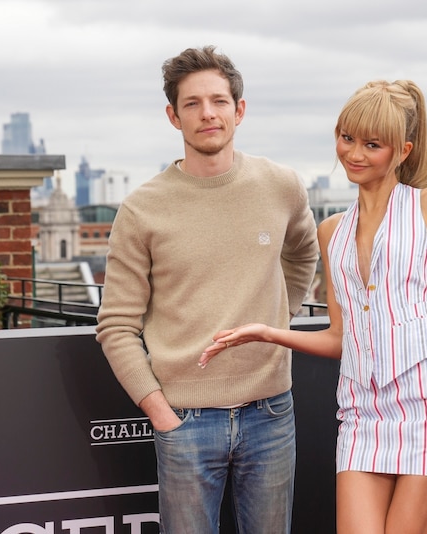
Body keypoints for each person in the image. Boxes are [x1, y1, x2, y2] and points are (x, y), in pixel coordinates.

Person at [199, 79, 427, 534]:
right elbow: (340, 338)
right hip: (361, 412)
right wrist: (268, 332)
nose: (354, 153)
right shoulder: (331, 231)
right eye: (347, 138)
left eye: (372, 144)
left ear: (403, 150)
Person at [95, 45, 319, 534]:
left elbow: (303, 253)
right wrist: (161, 411)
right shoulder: (141, 210)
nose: (207, 113)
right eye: (192, 103)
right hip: (184, 418)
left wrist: (278, 319)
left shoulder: (281, 185)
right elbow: (115, 325)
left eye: (218, 100)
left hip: (271, 410)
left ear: (239, 110)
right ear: (173, 117)